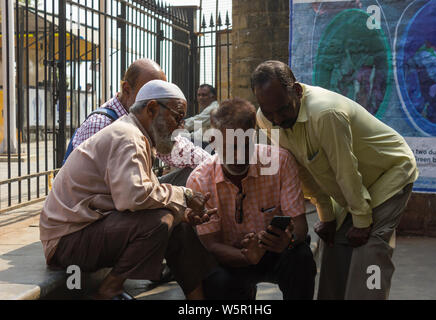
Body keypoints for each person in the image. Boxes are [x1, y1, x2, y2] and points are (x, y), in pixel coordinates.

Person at [252, 60, 419, 300]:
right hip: (351, 187)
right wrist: (327, 216)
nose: (277, 119)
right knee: (333, 245)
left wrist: (361, 221)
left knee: (370, 250)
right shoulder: (266, 117)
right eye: (269, 113)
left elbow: (345, 170)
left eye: (283, 109)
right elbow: (302, 169)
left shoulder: (325, 113)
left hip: (388, 172)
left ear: (297, 91)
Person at [40, 80, 218, 300]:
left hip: (87, 230)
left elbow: (148, 193)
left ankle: (198, 300)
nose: (180, 127)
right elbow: (134, 198)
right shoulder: (128, 136)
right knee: (160, 221)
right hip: (67, 242)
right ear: (151, 108)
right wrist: (185, 195)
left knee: (178, 224)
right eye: (177, 117)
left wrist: (183, 214)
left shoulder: (136, 134)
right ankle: (109, 289)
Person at [186, 98, 317, 300]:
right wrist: (246, 256)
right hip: (230, 258)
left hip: (276, 252)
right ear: (213, 141)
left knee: (301, 258)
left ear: (254, 136)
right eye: (230, 147)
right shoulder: (199, 179)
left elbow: (300, 226)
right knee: (214, 280)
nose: (238, 157)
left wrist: (288, 241)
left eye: (246, 146)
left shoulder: (280, 162)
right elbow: (211, 245)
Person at [71, 58, 211, 177]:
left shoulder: (148, 121)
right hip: (98, 203)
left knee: (198, 171)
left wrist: (217, 168)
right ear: (127, 90)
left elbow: (183, 152)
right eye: (151, 90)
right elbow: (119, 192)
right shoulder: (101, 124)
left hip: (125, 192)